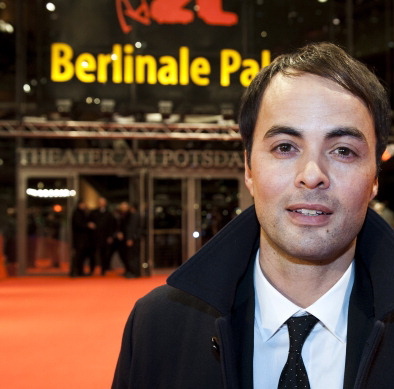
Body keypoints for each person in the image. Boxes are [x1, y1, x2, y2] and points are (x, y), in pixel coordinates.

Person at [112, 42, 394, 389]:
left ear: (375, 178)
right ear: (248, 167)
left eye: (343, 151)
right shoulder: (159, 326)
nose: (311, 173)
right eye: (285, 147)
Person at [90, 197, 116, 275]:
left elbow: (112, 226)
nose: (101, 203)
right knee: (92, 254)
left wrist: (110, 236)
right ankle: (92, 269)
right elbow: (89, 222)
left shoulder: (109, 214)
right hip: (94, 237)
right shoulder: (93, 212)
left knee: (104, 254)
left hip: (104, 237)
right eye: (99, 202)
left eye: (102, 202)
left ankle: (103, 270)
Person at [70, 200, 96, 276]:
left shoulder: (84, 213)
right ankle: (75, 271)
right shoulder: (77, 213)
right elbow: (78, 225)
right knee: (78, 256)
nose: (84, 206)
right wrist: (87, 225)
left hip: (84, 240)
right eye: (82, 204)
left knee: (82, 256)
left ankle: (80, 271)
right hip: (79, 239)